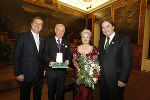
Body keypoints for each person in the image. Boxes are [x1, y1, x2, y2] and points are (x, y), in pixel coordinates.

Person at [98, 19, 133, 100]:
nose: (105, 29)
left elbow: (128, 61)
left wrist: (123, 79)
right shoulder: (101, 41)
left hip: (116, 80)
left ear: (113, 27)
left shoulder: (123, 39)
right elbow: (101, 58)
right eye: (103, 27)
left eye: (107, 26)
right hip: (103, 79)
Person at [13, 16, 45, 100]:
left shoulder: (43, 39)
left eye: (40, 24)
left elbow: (43, 56)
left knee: (38, 95)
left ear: (42, 27)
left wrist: (44, 69)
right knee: (25, 95)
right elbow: (16, 55)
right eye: (36, 22)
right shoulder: (22, 36)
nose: (38, 25)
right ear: (31, 24)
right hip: (25, 73)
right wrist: (18, 72)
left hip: (39, 73)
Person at [43, 24, 71, 100]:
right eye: (58, 30)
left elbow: (68, 54)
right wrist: (49, 62)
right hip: (51, 71)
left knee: (60, 92)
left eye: (62, 31)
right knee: (51, 92)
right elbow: (44, 54)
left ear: (64, 32)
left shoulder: (67, 43)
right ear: (55, 30)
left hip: (62, 72)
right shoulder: (48, 41)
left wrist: (68, 60)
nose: (60, 32)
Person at [72, 29, 99, 100]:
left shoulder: (94, 49)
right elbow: (74, 60)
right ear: (81, 38)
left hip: (89, 76)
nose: (85, 39)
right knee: (78, 92)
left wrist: (94, 74)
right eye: (83, 37)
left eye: (87, 37)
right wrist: (79, 68)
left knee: (86, 93)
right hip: (78, 74)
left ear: (90, 38)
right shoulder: (76, 49)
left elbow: (96, 63)